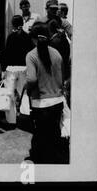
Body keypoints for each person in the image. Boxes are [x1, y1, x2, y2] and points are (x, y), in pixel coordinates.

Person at [25, 22, 69, 164]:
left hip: (41, 103)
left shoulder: (31, 55)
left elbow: (31, 79)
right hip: (57, 101)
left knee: (40, 135)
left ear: (34, 39)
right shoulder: (56, 53)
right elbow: (62, 76)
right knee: (53, 134)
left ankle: (40, 162)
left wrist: (26, 89)